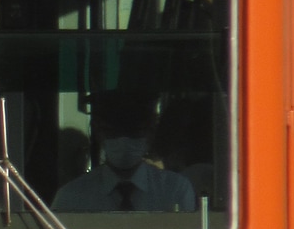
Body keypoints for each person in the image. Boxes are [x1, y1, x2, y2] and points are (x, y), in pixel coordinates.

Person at [53, 91, 195, 215]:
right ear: (98, 132)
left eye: (134, 131)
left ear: (150, 133)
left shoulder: (175, 190)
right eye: (113, 131)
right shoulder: (71, 197)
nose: (124, 138)